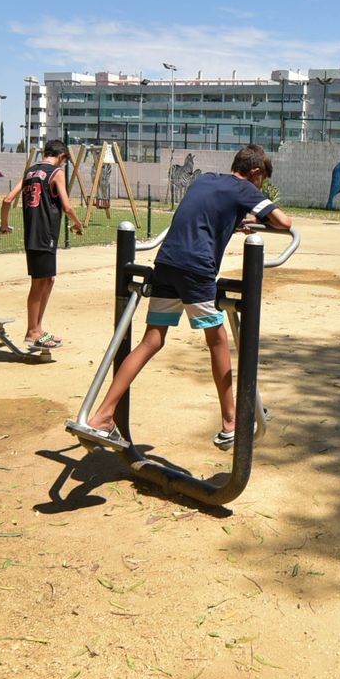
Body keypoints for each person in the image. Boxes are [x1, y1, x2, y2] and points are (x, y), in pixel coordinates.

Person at [85, 145, 292, 450]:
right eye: (261, 181)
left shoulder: (206, 179)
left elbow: (207, 212)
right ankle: (231, 421)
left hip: (166, 263)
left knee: (151, 340)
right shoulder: (245, 189)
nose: (258, 187)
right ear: (256, 173)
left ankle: (103, 415)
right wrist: (256, 215)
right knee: (218, 339)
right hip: (196, 270)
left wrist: (234, 223)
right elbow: (284, 222)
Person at [0, 139, 84, 349]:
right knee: (39, 283)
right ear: (62, 156)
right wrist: (79, 224)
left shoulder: (30, 172)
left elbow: (8, 200)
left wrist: (4, 225)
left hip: (33, 234)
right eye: (64, 161)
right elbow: (67, 206)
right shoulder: (56, 172)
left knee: (48, 280)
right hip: (46, 234)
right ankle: (32, 332)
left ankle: (38, 328)